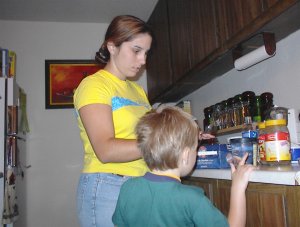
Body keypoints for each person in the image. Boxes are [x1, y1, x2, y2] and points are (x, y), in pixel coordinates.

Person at [112, 106, 254, 227]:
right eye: (195, 148)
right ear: (186, 154)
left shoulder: (127, 188)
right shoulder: (192, 198)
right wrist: (237, 187)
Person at [73, 15, 153, 227]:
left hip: (141, 184)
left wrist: (184, 135)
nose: (143, 61)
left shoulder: (138, 91)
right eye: (136, 51)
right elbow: (105, 150)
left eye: (146, 53)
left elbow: (150, 134)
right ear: (112, 46)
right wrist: (164, 141)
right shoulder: (94, 86)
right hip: (108, 186)